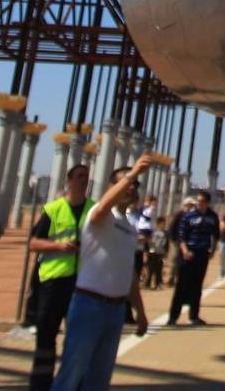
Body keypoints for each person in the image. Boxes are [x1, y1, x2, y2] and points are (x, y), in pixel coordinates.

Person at [53, 154, 153, 391]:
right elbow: (105, 206)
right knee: (72, 373)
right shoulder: (99, 215)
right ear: (113, 186)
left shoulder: (129, 228)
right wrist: (132, 174)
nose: (131, 189)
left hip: (115, 310)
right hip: (89, 304)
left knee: (99, 377)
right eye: (126, 185)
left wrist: (139, 311)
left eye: (134, 187)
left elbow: (128, 273)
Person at [27, 162, 91, 391]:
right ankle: (40, 384)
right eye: (79, 176)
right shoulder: (53, 209)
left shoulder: (93, 210)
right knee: (46, 336)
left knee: (77, 338)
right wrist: (58, 246)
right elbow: (33, 243)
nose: (83, 180)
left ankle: (71, 383)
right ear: (69, 181)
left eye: (86, 176)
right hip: (52, 283)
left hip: (81, 284)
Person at [168, 192, 218, 324]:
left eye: (202, 201)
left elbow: (215, 234)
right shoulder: (189, 216)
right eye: (198, 201)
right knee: (182, 285)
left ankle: (193, 316)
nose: (199, 204)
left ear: (207, 202)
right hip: (188, 253)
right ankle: (173, 317)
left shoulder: (212, 217)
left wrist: (212, 250)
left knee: (197, 286)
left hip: (202, 253)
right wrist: (185, 250)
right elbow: (181, 235)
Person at [145, 217, 167, 289]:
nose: (163, 225)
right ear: (158, 224)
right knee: (151, 269)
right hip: (152, 252)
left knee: (159, 270)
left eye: (164, 224)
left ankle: (158, 284)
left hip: (160, 253)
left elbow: (166, 245)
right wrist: (147, 251)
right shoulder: (153, 233)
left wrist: (165, 254)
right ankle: (147, 284)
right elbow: (148, 242)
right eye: (161, 224)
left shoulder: (165, 234)